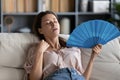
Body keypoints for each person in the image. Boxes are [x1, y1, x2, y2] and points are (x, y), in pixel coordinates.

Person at [24, 11, 102, 80]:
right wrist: (39, 52)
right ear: (40, 30)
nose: (53, 24)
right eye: (48, 22)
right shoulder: (36, 49)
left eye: (55, 21)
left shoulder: (73, 48)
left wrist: (93, 57)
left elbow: (84, 78)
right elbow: (34, 79)